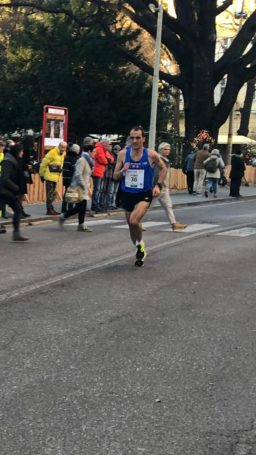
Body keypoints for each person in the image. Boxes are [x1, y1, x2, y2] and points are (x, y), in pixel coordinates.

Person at [113, 125, 167, 267]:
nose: (135, 140)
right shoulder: (123, 154)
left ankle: (140, 246)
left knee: (134, 220)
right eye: (132, 138)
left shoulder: (151, 155)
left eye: (138, 138)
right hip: (127, 193)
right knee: (131, 226)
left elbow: (163, 168)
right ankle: (140, 247)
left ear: (143, 139)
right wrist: (123, 170)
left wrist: (158, 185)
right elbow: (115, 176)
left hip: (144, 194)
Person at [152, 142, 187, 231]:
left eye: (169, 149)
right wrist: (156, 185)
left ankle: (174, 224)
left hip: (165, 187)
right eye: (165, 149)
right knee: (147, 206)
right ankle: (136, 222)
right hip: (158, 187)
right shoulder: (159, 159)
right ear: (160, 150)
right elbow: (156, 174)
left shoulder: (165, 160)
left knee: (168, 206)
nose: (168, 151)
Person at [59, 147, 92, 232]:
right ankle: (64, 216)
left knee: (82, 207)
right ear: (89, 151)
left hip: (81, 187)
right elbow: (78, 174)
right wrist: (84, 185)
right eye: (94, 151)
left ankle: (80, 224)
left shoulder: (88, 161)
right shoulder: (82, 160)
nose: (95, 153)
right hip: (78, 187)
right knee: (80, 207)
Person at [0, 143, 29, 241]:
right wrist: (16, 187)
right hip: (4, 190)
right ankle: (16, 234)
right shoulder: (8, 161)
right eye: (21, 151)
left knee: (17, 210)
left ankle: (16, 234)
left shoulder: (14, 159)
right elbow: (4, 178)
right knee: (17, 209)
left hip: (8, 190)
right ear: (17, 151)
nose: (22, 153)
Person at [39, 141, 67, 215]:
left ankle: (51, 209)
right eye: (62, 147)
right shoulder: (52, 152)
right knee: (50, 194)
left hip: (55, 177)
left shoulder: (63, 153)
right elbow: (43, 163)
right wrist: (41, 175)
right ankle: (49, 210)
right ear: (59, 146)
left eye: (64, 148)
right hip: (49, 176)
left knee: (53, 194)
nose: (63, 149)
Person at [91, 137, 114, 212]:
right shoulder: (99, 149)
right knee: (97, 190)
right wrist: (108, 161)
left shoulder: (103, 149)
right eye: (107, 144)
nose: (108, 146)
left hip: (101, 171)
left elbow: (111, 158)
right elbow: (103, 159)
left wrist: (108, 160)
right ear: (103, 143)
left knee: (99, 189)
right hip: (97, 171)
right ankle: (95, 205)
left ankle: (96, 204)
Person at [61, 143, 80, 213]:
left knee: (66, 193)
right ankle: (70, 209)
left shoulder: (66, 157)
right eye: (78, 150)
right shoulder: (74, 158)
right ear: (75, 151)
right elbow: (74, 168)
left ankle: (63, 209)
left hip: (66, 178)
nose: (79, 152)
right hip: (71, 178)